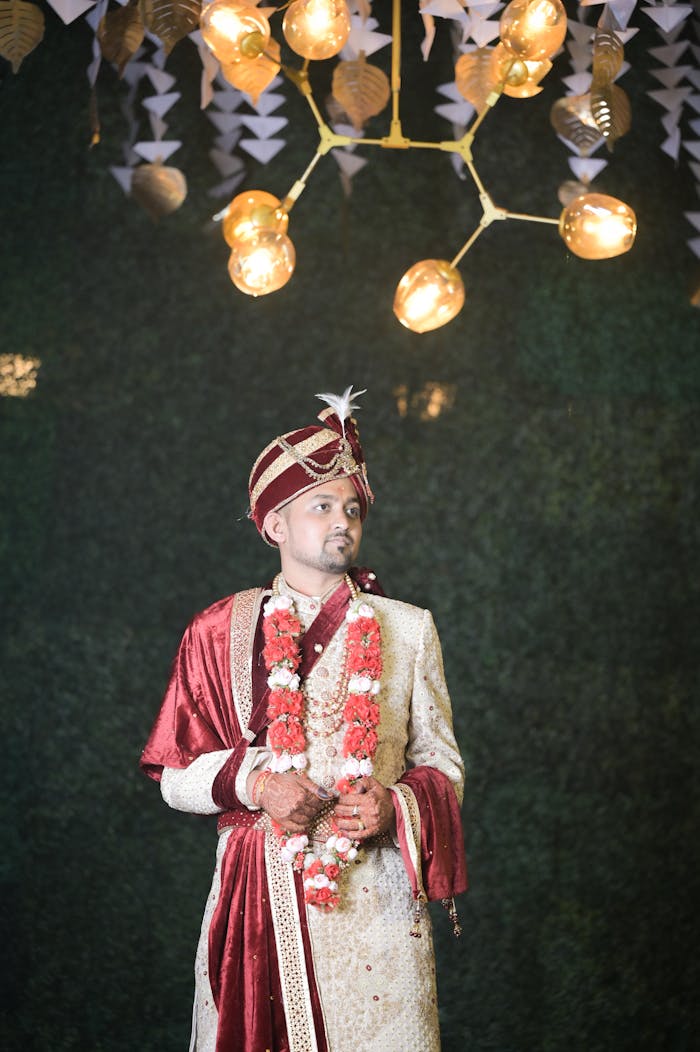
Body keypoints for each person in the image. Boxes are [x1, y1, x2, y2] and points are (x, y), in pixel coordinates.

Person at [140, 387, 467, 1052]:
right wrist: (258, 784)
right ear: (275, 525)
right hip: (259, 904)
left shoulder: (408, 630)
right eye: (321, 506)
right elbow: (174, 776)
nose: (342, 520)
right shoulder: (218, 631)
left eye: (352, 508)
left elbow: (443, 765)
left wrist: (396, 804)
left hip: (379, 913)